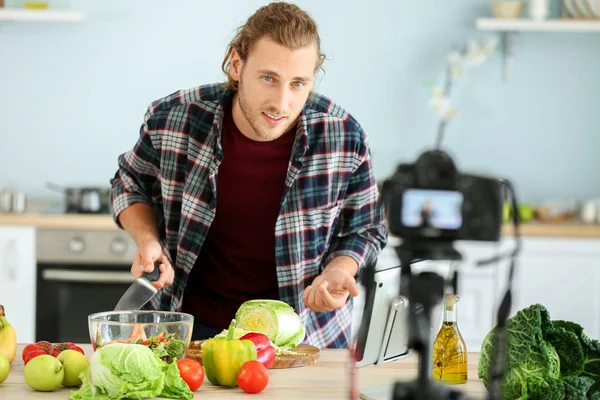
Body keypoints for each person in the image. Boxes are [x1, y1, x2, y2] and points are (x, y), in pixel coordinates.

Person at [109, 1, 387, 349]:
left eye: (298, 83)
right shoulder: (173, 118)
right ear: (236, 64)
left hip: (303, 337)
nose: (281, 103)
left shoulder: (343, 136)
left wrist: (340, 270)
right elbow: (129, 183)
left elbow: (366, 227)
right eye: (269, 78)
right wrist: (148, 239)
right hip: (187, 333)